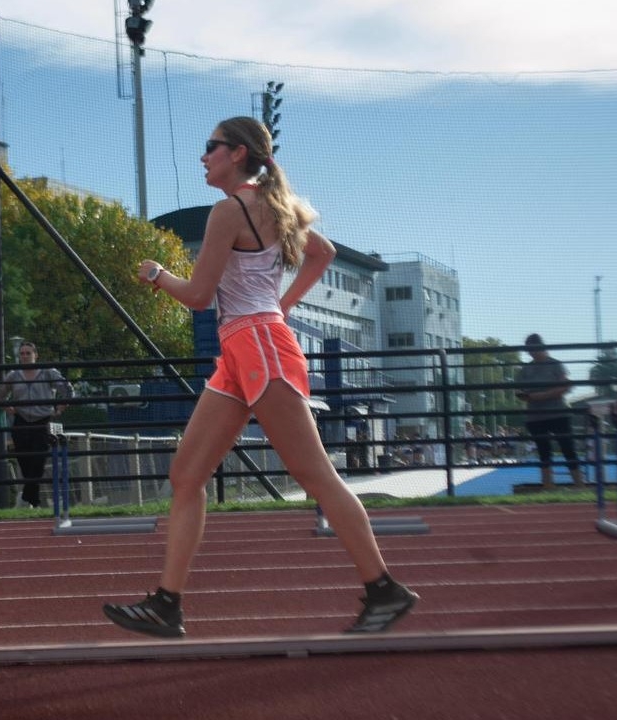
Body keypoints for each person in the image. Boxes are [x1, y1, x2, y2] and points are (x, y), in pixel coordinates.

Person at [102, 117, 418, 637]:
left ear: (239, 154)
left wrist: (158, 275)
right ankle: (167, 604)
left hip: (259, 349)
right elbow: (325, 254)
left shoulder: (230, 211)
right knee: (186, 476)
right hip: (245, 349)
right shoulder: (277, 207)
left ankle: (385, 589)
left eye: (211, 147)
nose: (203, 156)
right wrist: (282, 306)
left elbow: (200, 296)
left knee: (316, 475)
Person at [0, 341, 73, 508]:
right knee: (24, 461)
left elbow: (67, 389)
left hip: (43, 421)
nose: (24, 356)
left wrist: (60, 408)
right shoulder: (13, 375)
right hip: (21, 421)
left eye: (28, 353)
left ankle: (27, 498)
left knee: (38, 460)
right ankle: (33, 500)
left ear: (35, 355)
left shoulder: (48, 372)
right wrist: (8, 408)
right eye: (22, 353)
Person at [515, 333, 586, 489]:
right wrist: (530, 397)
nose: (532, 353)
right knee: (543, 451)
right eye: (529, 350)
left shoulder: (555, 364)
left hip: (558, 413)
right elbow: (518, 391)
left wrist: (542, 395)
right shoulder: (525, 370)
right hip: (535, 416)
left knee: (568, 448)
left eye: (534, 349)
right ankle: (547, 485)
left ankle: (579, 484)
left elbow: (566, 385)